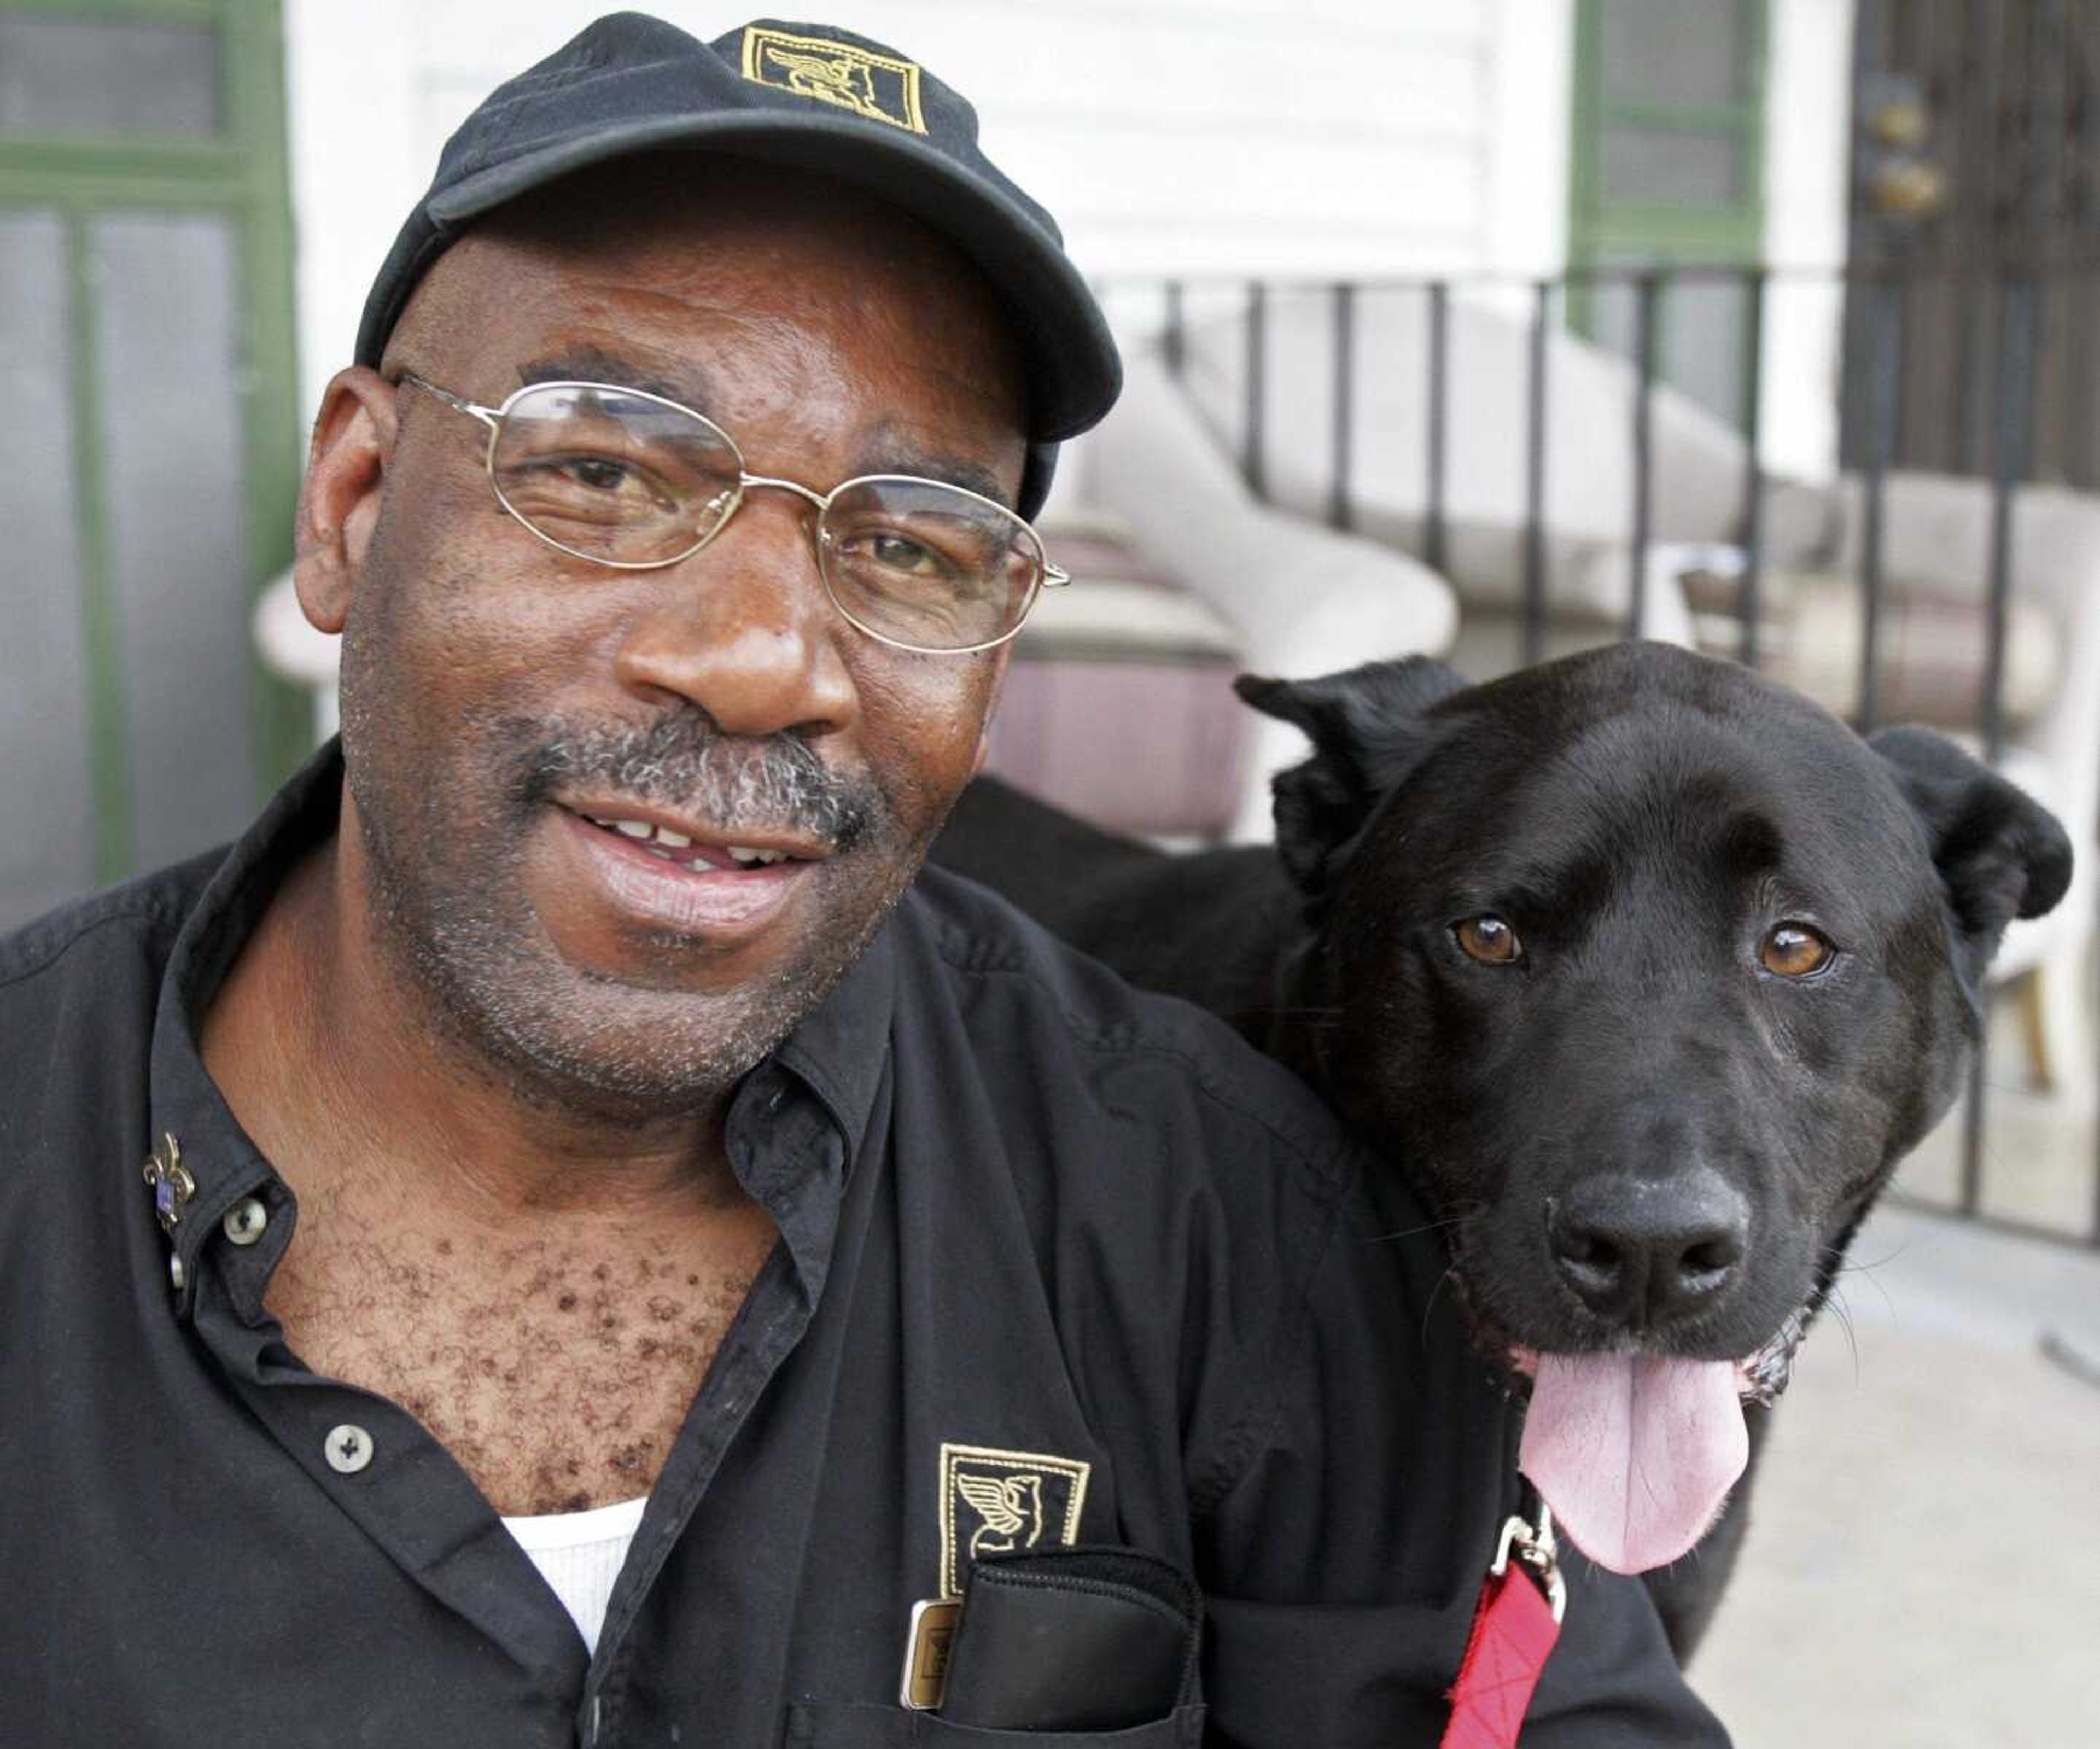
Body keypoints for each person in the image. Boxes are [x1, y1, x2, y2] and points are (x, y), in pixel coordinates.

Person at [0, 14, 1727, 1746]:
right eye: (603, 470)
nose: (763, 660)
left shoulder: (1209, 1219)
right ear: (359, 501)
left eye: (909, 544)